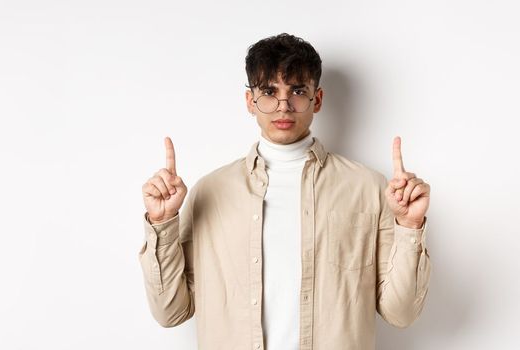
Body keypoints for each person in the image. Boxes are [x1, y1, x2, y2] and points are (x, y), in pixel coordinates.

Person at [137, 33, 431, 350]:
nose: (283, 106)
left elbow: (401, 314)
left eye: (297, 91)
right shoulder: (210, 192)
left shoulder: (369, 188)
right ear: (250, 101)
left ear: (317, 99)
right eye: (269, 91)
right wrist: (163, 224)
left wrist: (410, 226)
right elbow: (170, 312)